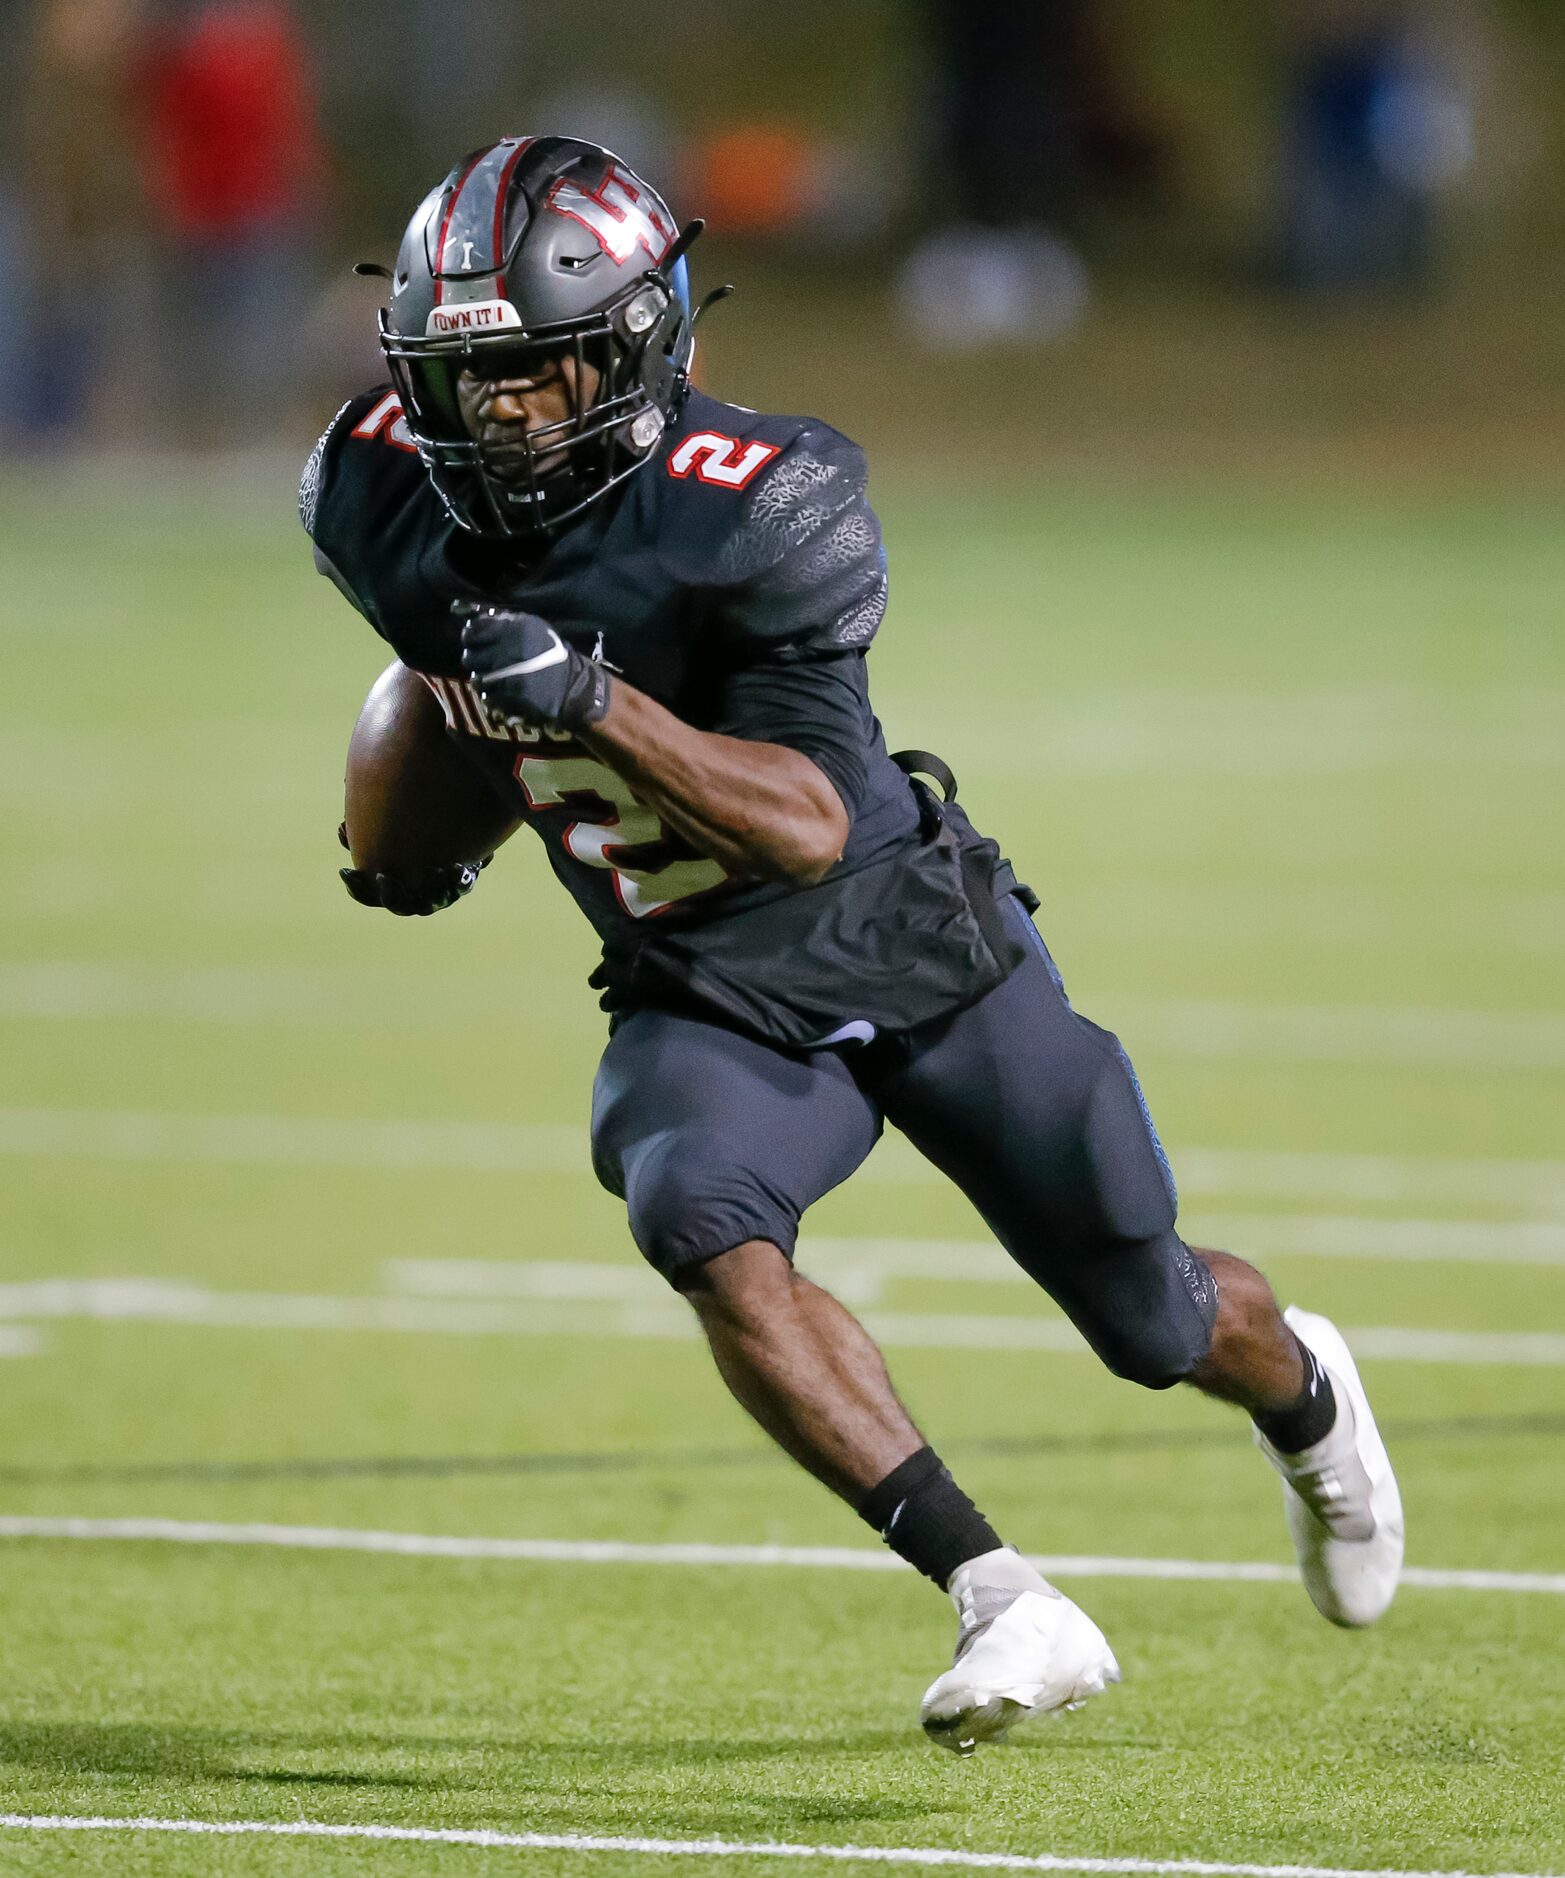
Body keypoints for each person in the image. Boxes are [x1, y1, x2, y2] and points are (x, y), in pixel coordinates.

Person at [301, 136, 1403, 1755]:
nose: (502, 416)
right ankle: (999, 1591)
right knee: (697, 1211)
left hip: (901, 936)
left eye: (538, 374)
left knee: (1152, 1318)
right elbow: (430, 681)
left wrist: (594, 698)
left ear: (635, 347)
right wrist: (414, 809)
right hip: (702, 978)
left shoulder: (766, 498)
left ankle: (1303, 1391)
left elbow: (811, 819)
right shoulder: (376, 487)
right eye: (466, 377)